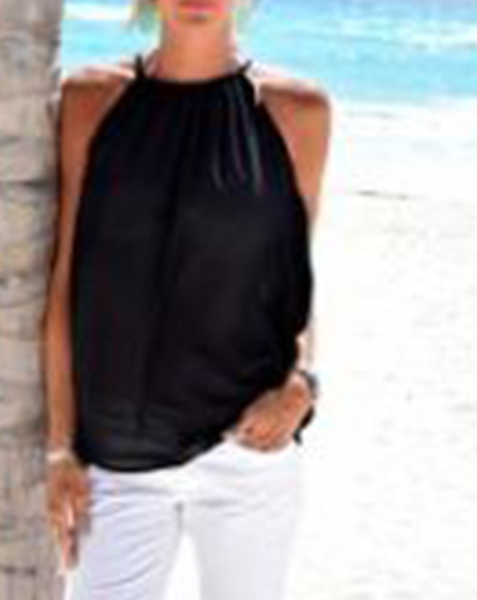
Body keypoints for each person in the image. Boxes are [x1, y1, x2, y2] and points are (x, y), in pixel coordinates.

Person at [41, 0, 332, 597]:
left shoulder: (296, 111)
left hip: (247, 452)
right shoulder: (90, 101)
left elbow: (294, 284)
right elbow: (65, 283)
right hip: (115, 460)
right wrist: (59, 448)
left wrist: (301, 382)